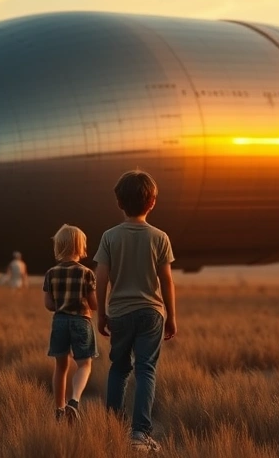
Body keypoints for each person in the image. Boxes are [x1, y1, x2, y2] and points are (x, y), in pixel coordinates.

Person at [94, 170, 177, 453]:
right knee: (146, 370)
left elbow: (101, 277)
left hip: (119, 312)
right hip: (152, 313)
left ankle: (112, 428)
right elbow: (166, 280)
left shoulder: (109, 237)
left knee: (118, 369)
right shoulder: (160, 237)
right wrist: (172, 316)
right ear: (152, 202)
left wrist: (101, 313)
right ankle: (140, 434)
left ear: (119, 202)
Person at [43, 224, 98, 422]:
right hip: (81, 321)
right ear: (80, 246)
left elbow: (49, 304)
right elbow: (93, 304)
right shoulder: (87, 273)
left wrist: (61, 303)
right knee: (84, 364)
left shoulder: (51, 273)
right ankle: (74, 402)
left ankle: (59, 410)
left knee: (60, 367)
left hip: (59, 321)